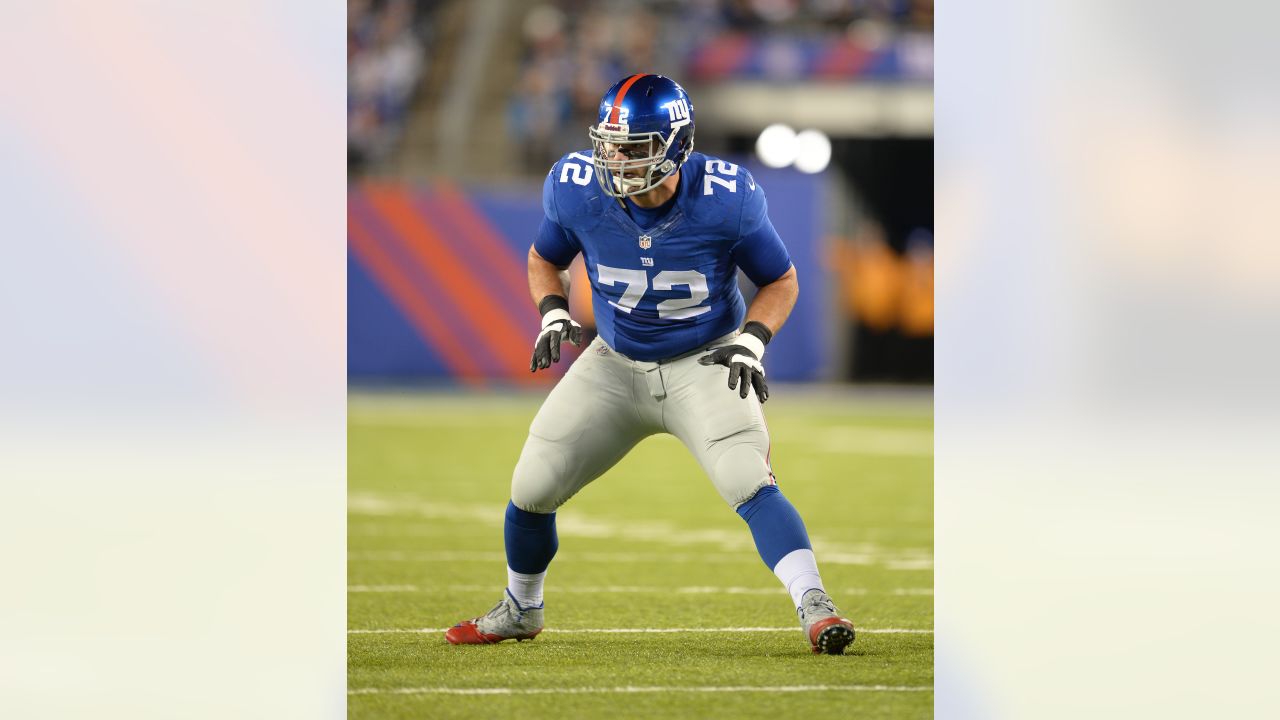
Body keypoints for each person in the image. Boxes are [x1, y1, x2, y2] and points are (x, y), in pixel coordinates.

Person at [445, 74, 856, 654]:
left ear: (676, 144)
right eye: (608, 144)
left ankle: (815, 605)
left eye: (632, 148)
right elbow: (545, 257)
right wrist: (553, 312)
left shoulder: (726, 197)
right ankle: (521, 607)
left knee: (747, 480)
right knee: (531, 486)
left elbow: (780, 280)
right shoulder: (576, 187)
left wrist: (753, 340)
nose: (614, 160)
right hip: (613, 363)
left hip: (704, 363)